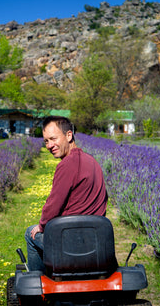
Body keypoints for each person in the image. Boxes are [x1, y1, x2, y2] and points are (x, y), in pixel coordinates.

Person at [25, 116, 108, 272]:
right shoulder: (92, 161)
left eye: (53, 139)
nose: (50, 145)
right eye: (46, 141)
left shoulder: (67, 164)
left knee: (31, 234)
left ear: (69, 135)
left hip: (72, 241)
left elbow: (53, 205)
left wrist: (41, 226)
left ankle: (38, 286)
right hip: (96, 239)